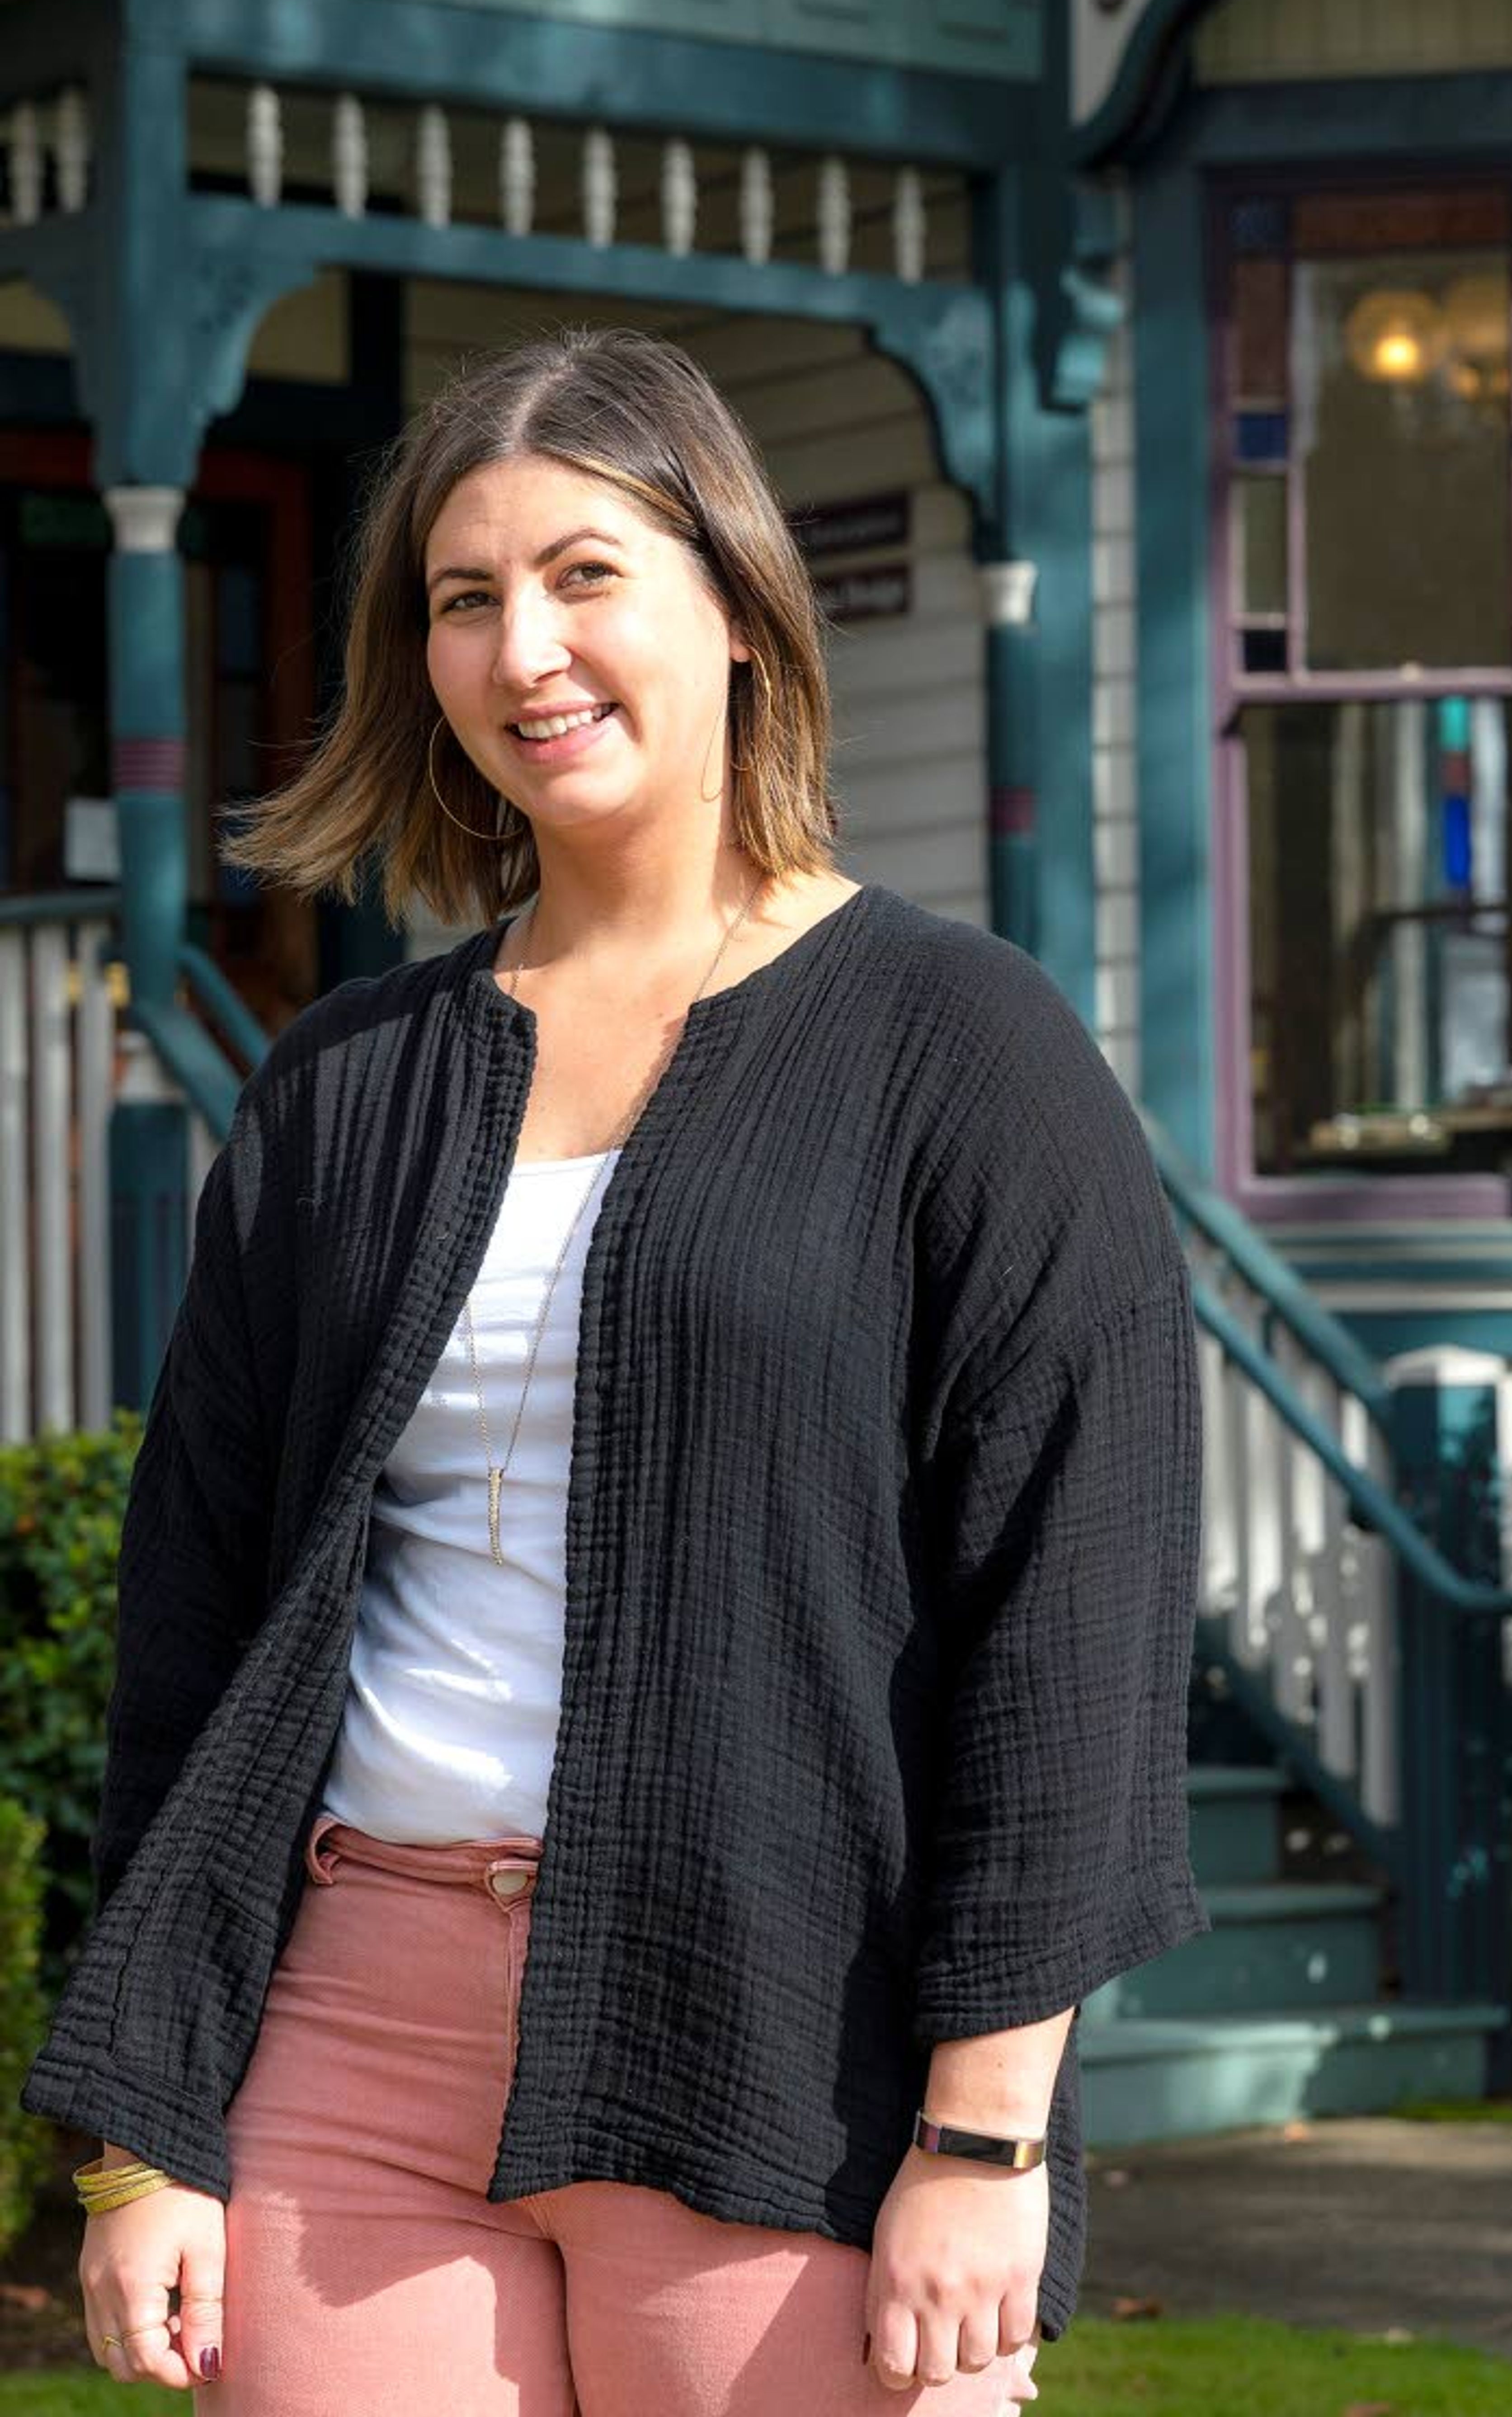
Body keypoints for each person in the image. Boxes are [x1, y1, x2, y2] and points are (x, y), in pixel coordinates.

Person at [20, 325, 1209, 2413]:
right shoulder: (347, 1085)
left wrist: (987, 2134)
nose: (524, 648)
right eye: (464, 600)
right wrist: (148, 2125)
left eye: (584, 574)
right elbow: (195, 1626)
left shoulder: (964, 1049)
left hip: (776, 2011)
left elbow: (1076, 1622)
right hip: (352, 2022)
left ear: (738, 609)